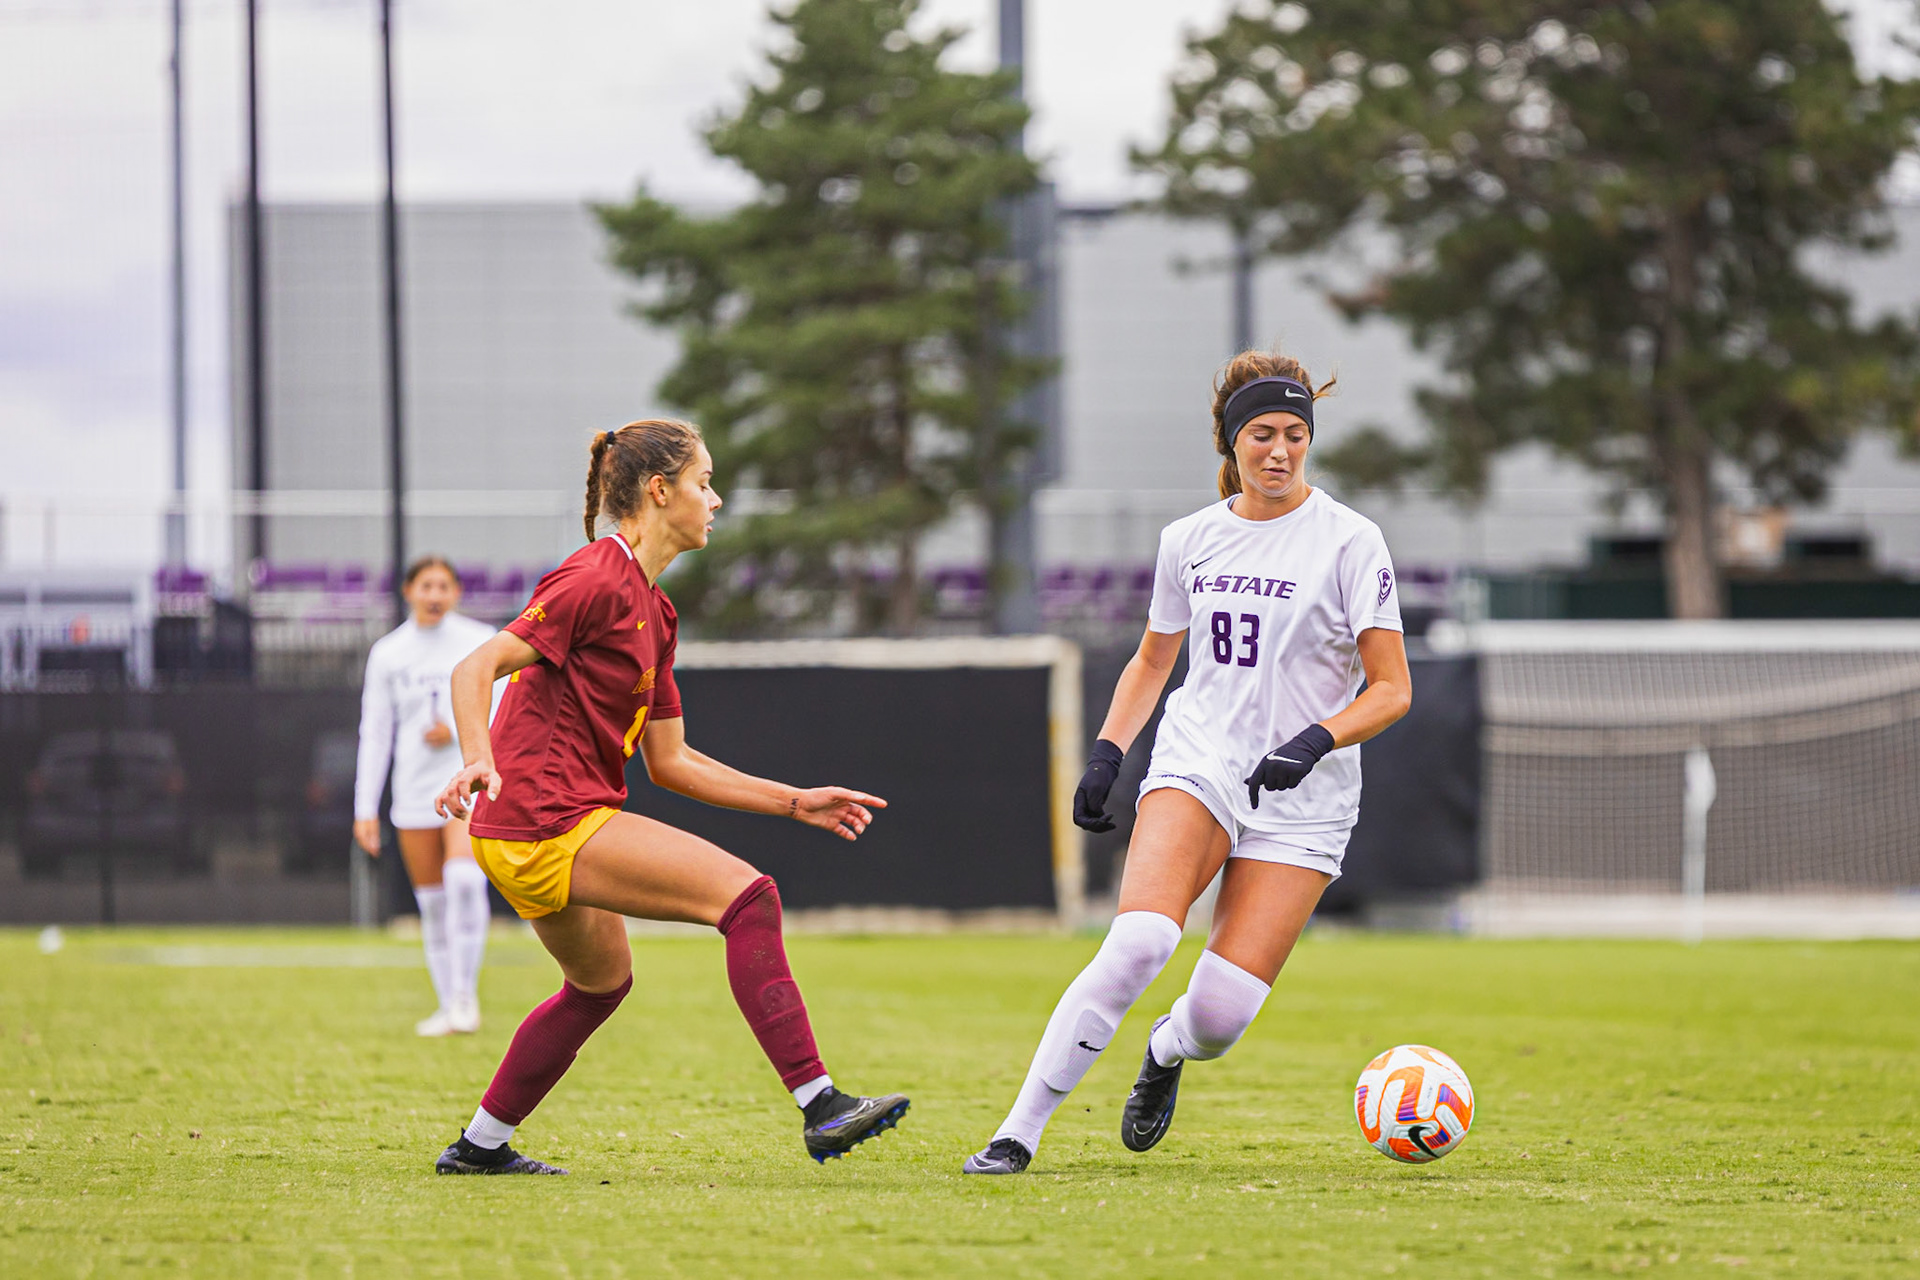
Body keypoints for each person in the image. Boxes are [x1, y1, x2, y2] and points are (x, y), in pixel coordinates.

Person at [964, 350, 1412, 1175]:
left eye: (1295, 435)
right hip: (1199, 761)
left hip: (1305, 797)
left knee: (1219, 1018)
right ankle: (1016, 1132)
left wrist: (1315, 741)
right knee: (1136, 944)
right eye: (1262, 435)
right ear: (1231, 443)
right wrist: (1107, 753)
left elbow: (1391, 691)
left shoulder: (1351, 541)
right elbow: (1151, 661)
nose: (1279, 451)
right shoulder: (1191, 540)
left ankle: (1167, 1050)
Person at [430, 418, 909, 1176]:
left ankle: (479, 1147)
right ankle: (821, 1104)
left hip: (536, 821)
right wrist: (477, 758)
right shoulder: (594, 577)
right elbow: (473, 667)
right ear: (660, 491)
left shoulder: (654, 610)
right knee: (748, 901)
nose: (715, 500)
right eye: (703, 482)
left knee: (599, 986)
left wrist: (795, 801)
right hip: (542, 817)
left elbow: (672, 760)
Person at [353, 556, 499, 1037]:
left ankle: (465, 997)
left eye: (444, 585)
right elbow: (374, 732)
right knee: (432, 902)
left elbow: (503, 709)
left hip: (465, 785)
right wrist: (364, 808)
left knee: (463, 879)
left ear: (456, 592)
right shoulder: (389, 653)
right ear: (408, 591)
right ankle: (447, 1003)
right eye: (426, 585)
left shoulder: (480, 641)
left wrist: (460, 734)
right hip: (413, 793)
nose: (435, 594)